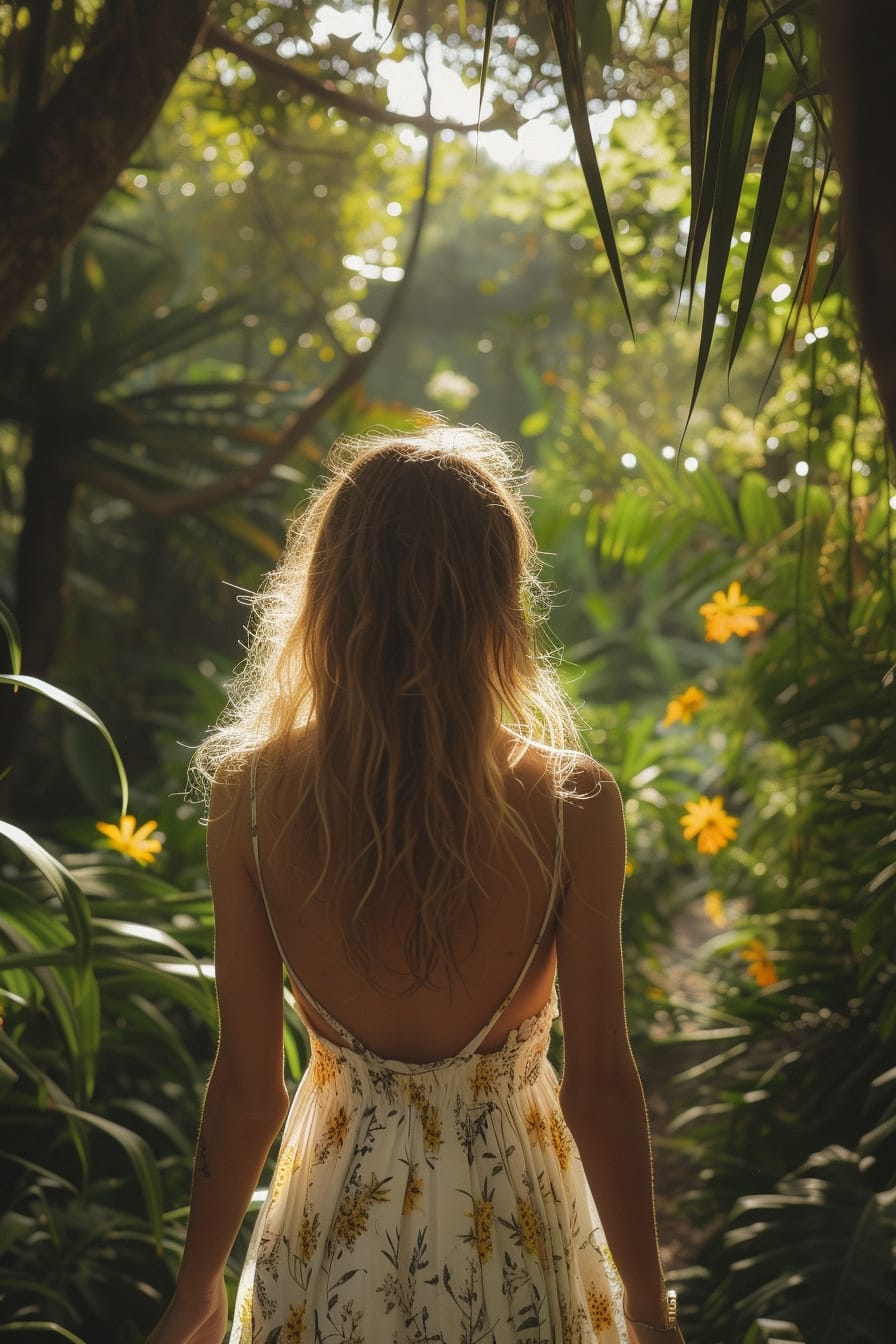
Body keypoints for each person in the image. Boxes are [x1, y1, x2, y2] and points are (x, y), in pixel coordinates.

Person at [146, 421, 686, 1344]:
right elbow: (598, 1084)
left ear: (328, 594)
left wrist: (195, 1290)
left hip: (329, 1237)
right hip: (518, 1230)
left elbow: (248, 1088)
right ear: (498, 602)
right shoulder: (570, 803)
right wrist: (647, 1308)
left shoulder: (252, 795)